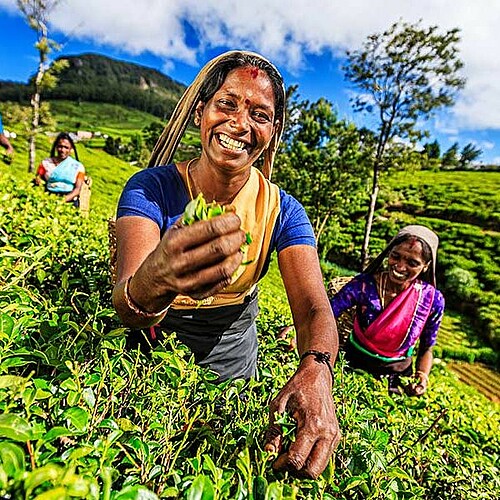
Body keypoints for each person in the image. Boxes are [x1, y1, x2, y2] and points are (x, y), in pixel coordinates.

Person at [112, 50, 341, 478]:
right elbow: (128, 303)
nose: (239, 123)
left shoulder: (282, 211)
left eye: (259, 114)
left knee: (212, 457)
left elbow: (313, 306)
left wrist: (317, 368)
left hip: (231, 345)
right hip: (153, 339)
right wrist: (156, 280)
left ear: (272, 132)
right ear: (201, 113)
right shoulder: (152, 189)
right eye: (227, 104)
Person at [330, 225, 445, 396]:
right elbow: (329, 312)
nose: (400, 266)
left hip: (395, 379)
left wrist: (422, 377)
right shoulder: (364, 285)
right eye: (395, 256)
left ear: (426, 266)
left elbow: (427, 347)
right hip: (352, 366)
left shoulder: (432, 300)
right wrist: (297, 330)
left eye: (412, 263)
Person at [34, 132, 85, 206]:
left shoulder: (78, 167)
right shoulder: (46, 163)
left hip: (69, 201)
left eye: (66, 147)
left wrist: (62, 200)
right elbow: (38, 178)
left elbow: (77, 189)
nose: (62, 150)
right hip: (48, 198)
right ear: (56, 147)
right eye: (60, 146)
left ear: (71, 149)